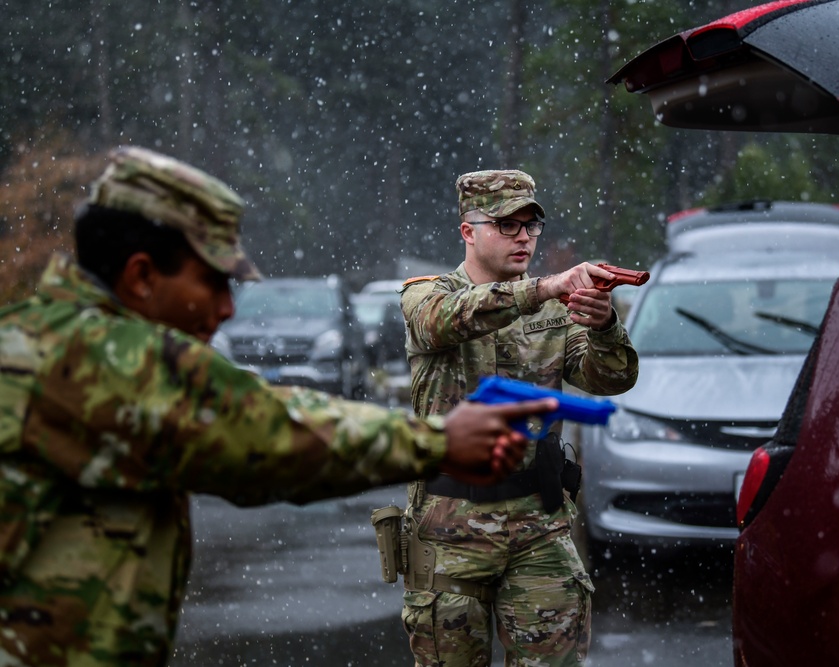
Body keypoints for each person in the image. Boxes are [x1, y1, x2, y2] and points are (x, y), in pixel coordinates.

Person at [0, 147, 556, 667]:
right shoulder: (102, 359)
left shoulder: (41, 338)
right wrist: (440, 442)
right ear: (142, 275)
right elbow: (264, 433)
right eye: (214, 284)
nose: (224, 311)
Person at [399, 169, 640, 666]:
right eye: (508, 225)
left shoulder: (553, 308)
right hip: (450, 527)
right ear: (469, 231)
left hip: (541, 524)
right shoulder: (425, 295)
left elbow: (610, 379)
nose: (524, 238)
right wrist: (546, 287)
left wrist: (604, 326)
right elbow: (446, 321)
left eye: (531, 226)